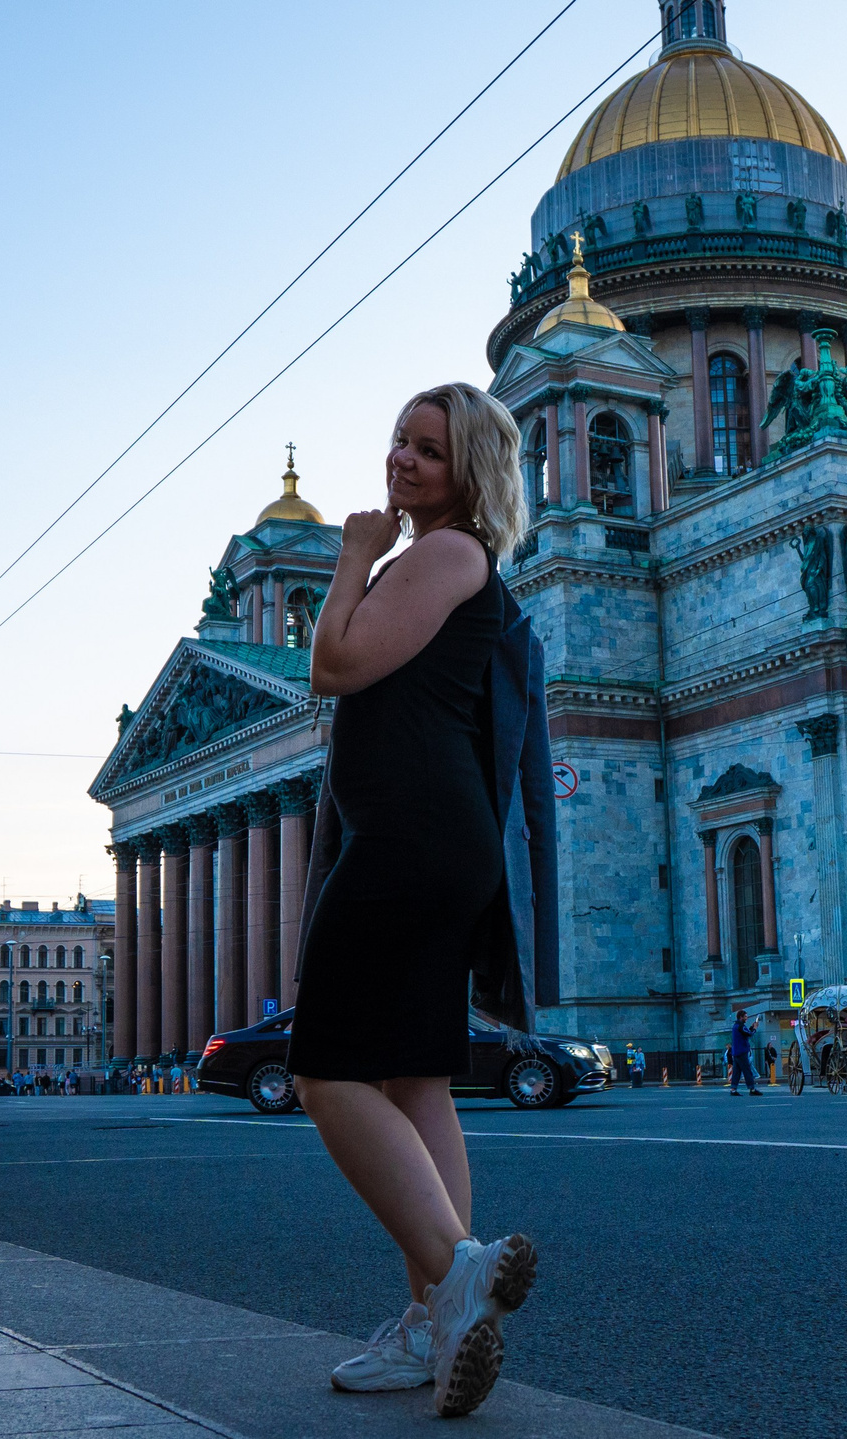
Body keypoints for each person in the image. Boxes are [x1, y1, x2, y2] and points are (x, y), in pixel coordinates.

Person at [286, 383, 552, 1419]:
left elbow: (337, 663)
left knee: (322, 1067)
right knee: (415, 1080)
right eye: (399, 441)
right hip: (439, 843)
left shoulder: (443, 553)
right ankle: (434, 1326)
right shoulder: (452, 560)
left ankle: (454, 1275)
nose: (403, 461)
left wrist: (354, 554)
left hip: (409, 841)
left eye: (428, 451)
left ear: (470, 472)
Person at [726, 1007, 762, 1096]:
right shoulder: (740, 1026)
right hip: (742, 1051)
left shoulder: (736, 1026)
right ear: (741, 1017)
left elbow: (745, 1032)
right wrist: (755, 1028)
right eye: (745, 1016)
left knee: (737, 1072)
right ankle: (752, 1089)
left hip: (736, 1052)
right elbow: (749, 1034)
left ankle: (733, 1089)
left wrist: (751, 1027)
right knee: (747, 1070)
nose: (747, 1018)